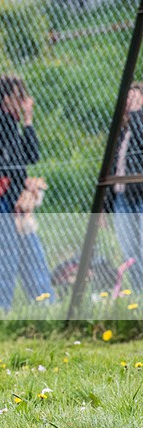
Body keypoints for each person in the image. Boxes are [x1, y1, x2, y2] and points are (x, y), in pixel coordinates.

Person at [0, 75, 55, 311]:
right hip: (1, 200)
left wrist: (28, 121)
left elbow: (31, 155)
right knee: (7, 253)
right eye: (19, 97)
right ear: (7, 98)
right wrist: (18, 178)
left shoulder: (10, 122)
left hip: (16, 198)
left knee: (31, 249)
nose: (23, 101)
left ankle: (45, 305)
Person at [110, 82, 143, 294]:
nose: (130, 102)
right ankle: (140, 295)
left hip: (140, 194)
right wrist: (105, 207)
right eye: (128, 98)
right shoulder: (121, 131)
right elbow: (111, 169)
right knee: (130, 250)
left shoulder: (139, 125)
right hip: (122, 197)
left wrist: (138, 114)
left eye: (136, 97)